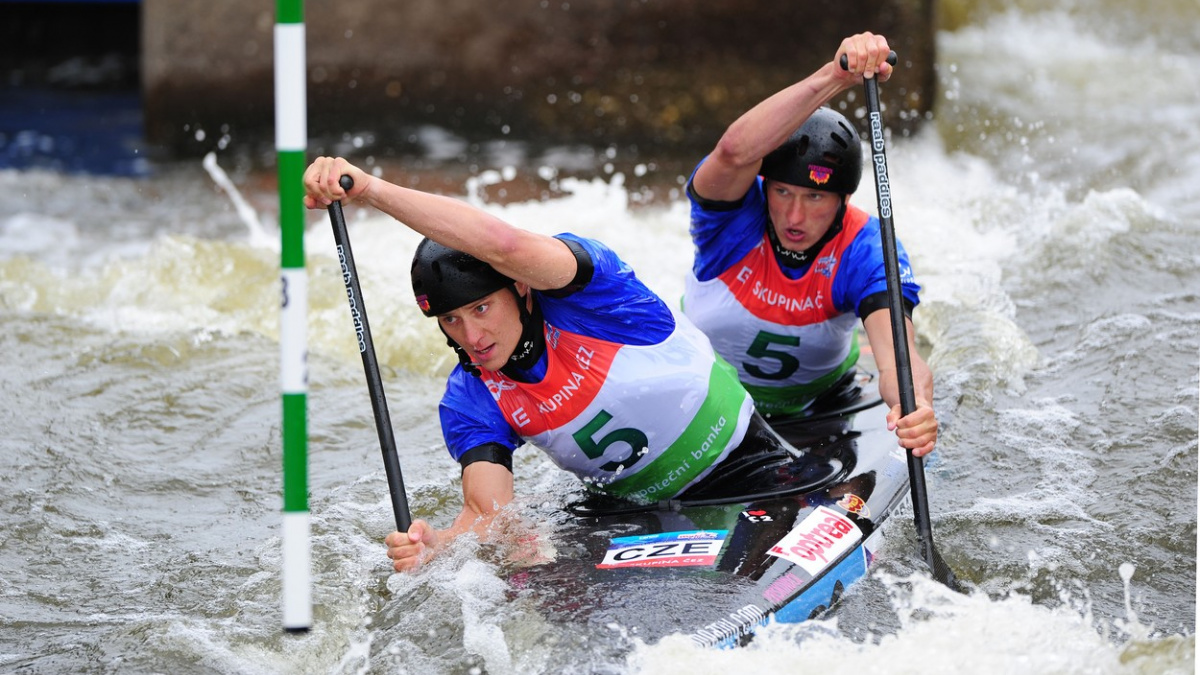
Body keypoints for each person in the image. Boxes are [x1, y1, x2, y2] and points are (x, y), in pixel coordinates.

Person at [303, 157, 839, 573]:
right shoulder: (471, 395)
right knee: (529, 563)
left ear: (520, 288)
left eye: (481, 309)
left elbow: (504, 244)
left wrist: (369, 190)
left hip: (750, 469)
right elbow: (490, 514)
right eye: (451, 321)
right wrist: (438, 545)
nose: (471, 336)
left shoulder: (594, 293)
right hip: (626, 511)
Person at [682, 32, 939, 457]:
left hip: (820, 408)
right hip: (706, 400)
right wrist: (835, 76)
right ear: (764, 184)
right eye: (783, 192)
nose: (794, 217)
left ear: (843, 200)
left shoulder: (866, 248)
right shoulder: (730, 216)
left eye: (816, 197)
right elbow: (732, 152)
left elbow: (899, 360)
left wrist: (916, 409)